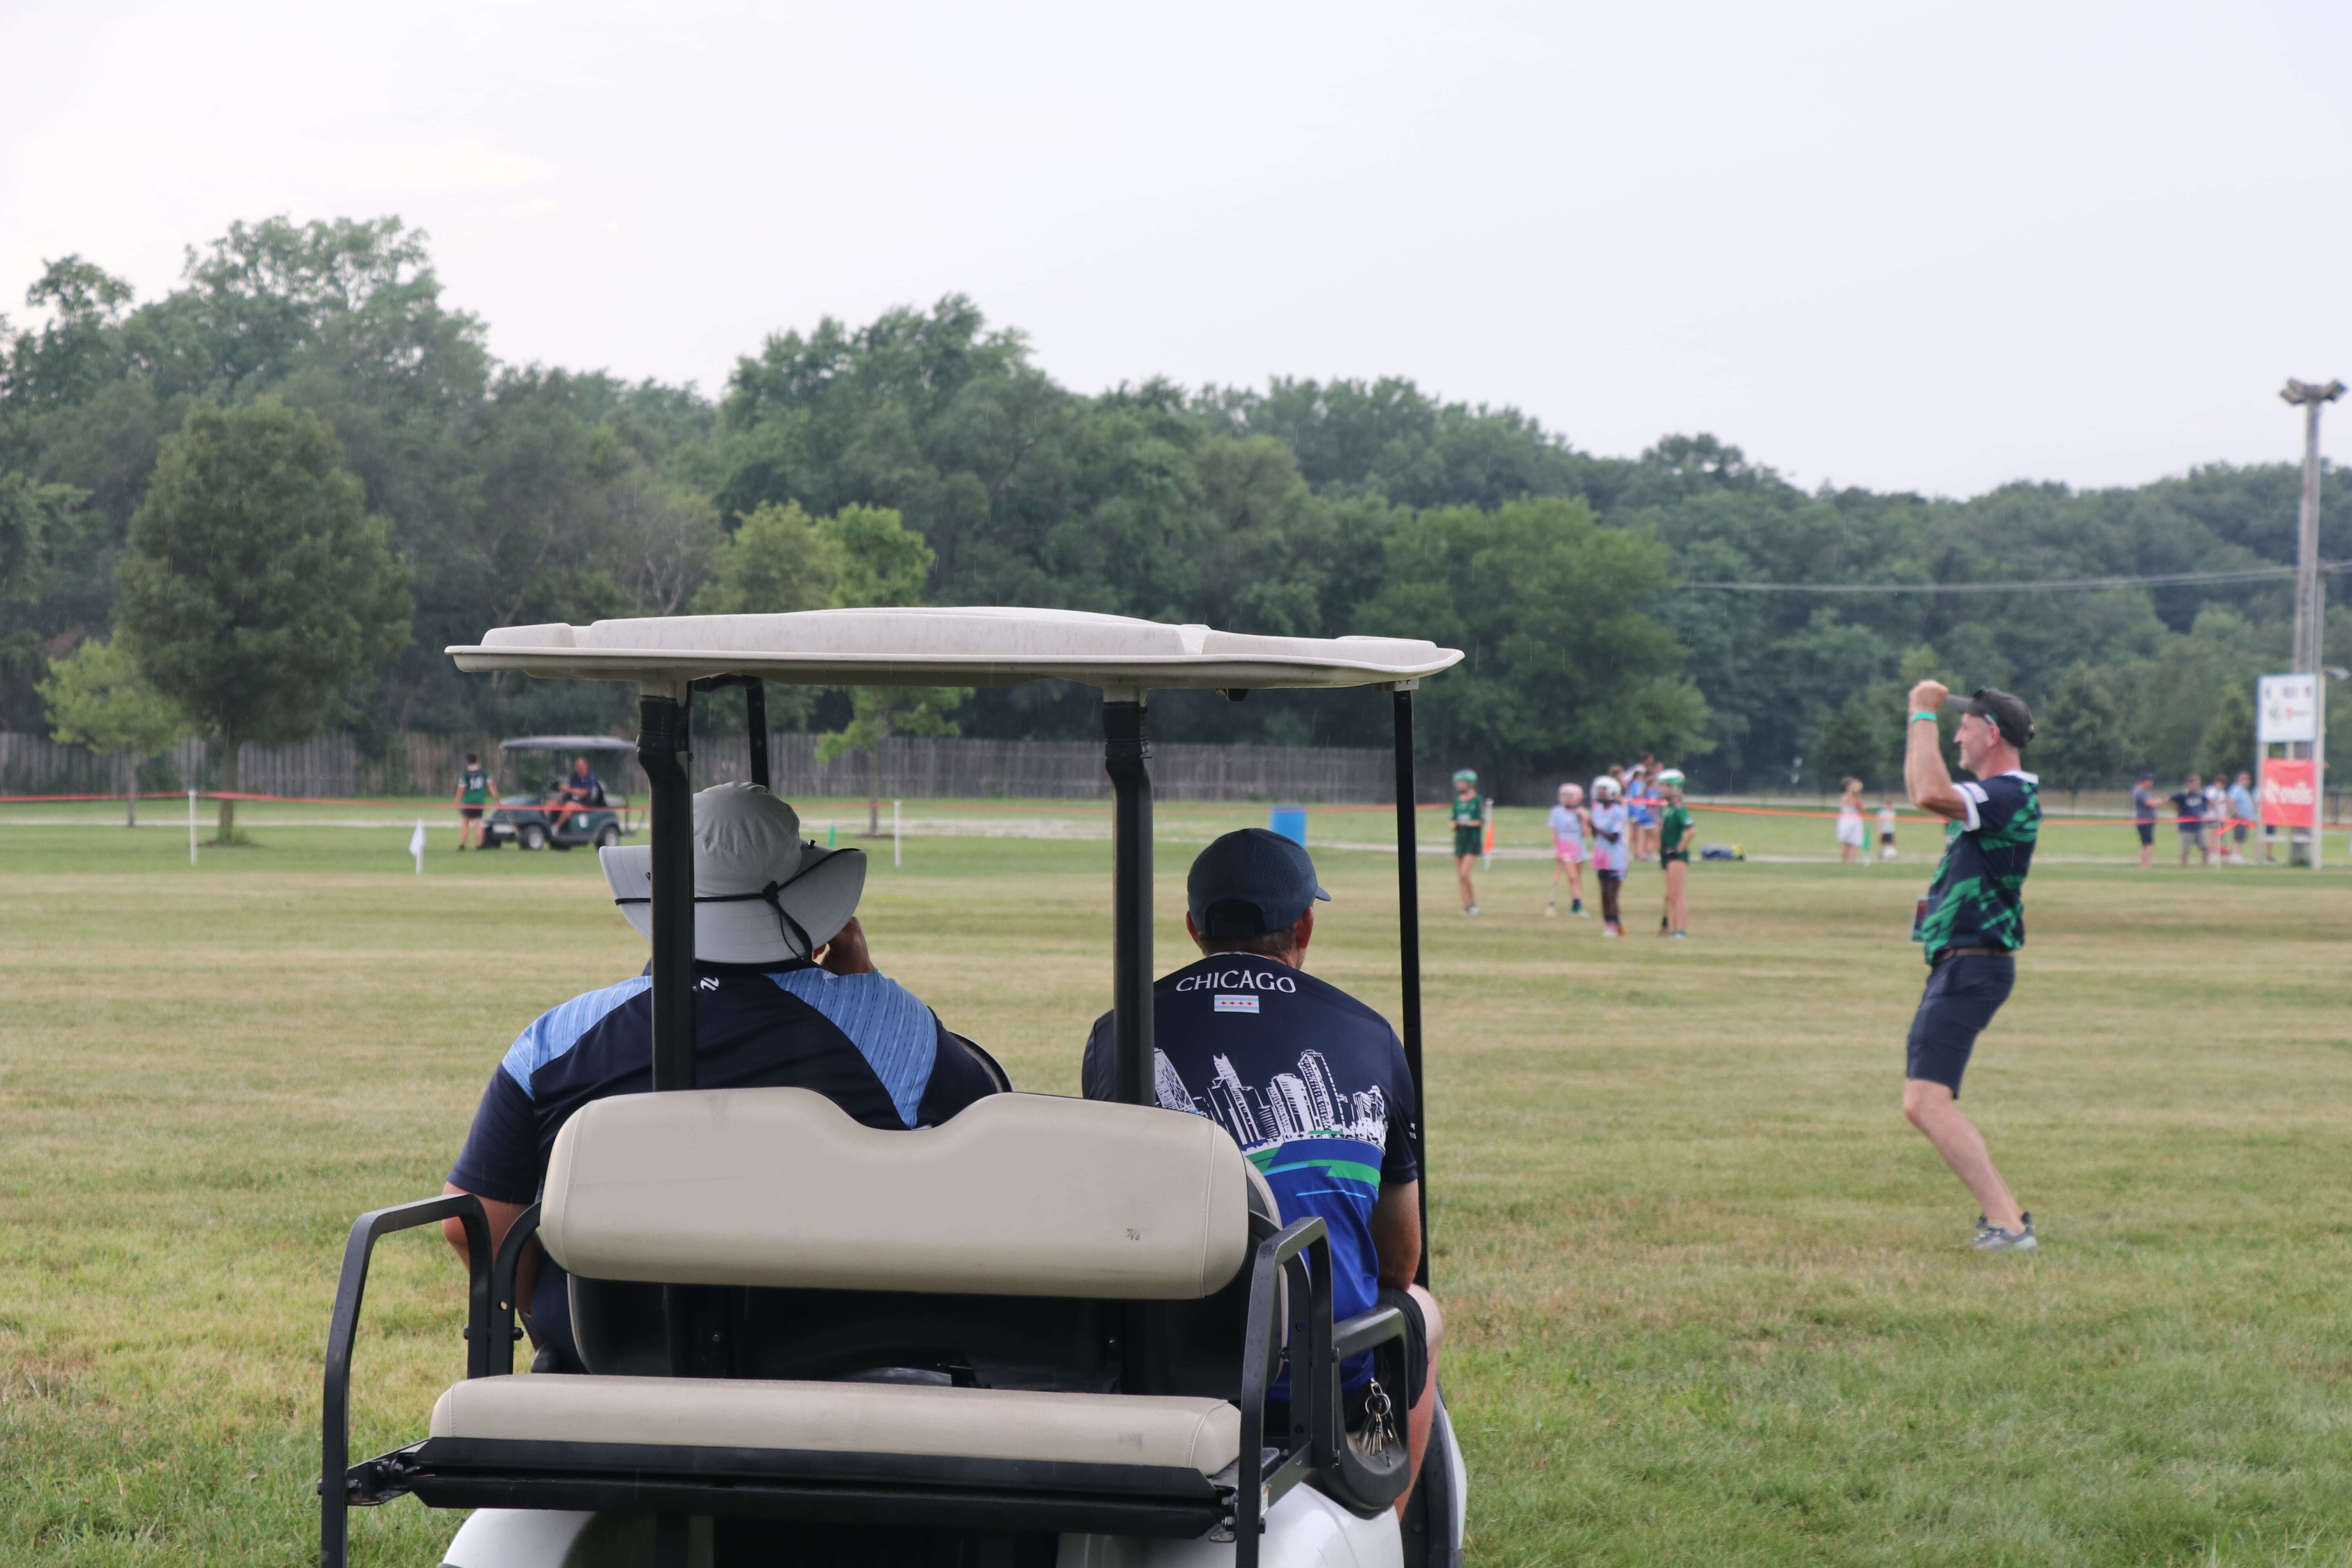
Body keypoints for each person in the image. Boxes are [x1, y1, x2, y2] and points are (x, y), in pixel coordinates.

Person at [440, 782, 998, 1371]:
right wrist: (867, 990)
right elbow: (987, 1148)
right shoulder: (891, 1025)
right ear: (803, 897)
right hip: (847, 1370)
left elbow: (468, 1220)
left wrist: (573, 1323)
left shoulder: (556, 1039)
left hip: (611, 1372)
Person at [1082, 829, 1441, 1516]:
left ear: (1194, 927)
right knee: (1422, 1309)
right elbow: (1399, 1261)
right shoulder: (1369, 1033)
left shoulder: (1117, 1031)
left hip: (1156, 1367)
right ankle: (1384, 1531)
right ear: (1305, 923)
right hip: (1317, 1378)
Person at [1901, 682, 2041, 1252]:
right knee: (1925, 1102)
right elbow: (1922, 787)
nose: (1957, 734)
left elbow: (1928, 792)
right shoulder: (1994, 795)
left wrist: (1922, 714)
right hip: (1961, 966)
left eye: (1965, 725)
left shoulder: (2008, 794)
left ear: (1992, 734)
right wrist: (1922, 724)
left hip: (1973, 967)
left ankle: (2008, 1227)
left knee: (1925, 1102)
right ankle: (2007, 1218)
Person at [1588, 777, 1628, 937]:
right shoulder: (1597, 809)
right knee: (1604, 894)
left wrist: (1595, 828)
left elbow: (1614, 837)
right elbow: (1595, 835)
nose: (1600, 793)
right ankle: (1610, 923)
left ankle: (1614, 924)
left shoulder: (1618, 811)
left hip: (1615, 858)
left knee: (1612, 894)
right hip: (1601, 856)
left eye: (1603, 790)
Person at [1655, 769, 1692, 937]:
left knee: (1678, 894)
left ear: (1675, 788)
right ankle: (1673, 929)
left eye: (1665, 786)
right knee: (1671, 894)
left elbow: (1692, 831)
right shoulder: (1666, 808)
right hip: (1666, 855)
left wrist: (1678, 850)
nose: (1662, 789)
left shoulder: (1678, 808)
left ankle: (1680, 930)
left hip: (1676, 856)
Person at [1546, 782, 1590, 918]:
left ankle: (1576, 905)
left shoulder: (1582, 813)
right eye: (1564, 796)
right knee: (1572, 877)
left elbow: (1586, 833)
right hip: (1565, 848)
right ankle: (1577, 907)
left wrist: (1583, 819)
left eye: (1570, 796)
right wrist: (1557, 850)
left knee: (1577, 878)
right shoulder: (1556, 812)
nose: (1566, 799)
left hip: (1578, 848)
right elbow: (1554, 832)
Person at [1449, 769, 1485, 916]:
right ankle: (1467, 907)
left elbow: (1480, 821)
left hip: (1473, 841)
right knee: (1461, 876)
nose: (1459, 785)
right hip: (1460, 841)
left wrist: (1466, 823)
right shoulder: (1458, 801)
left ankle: (1473, 905)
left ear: (1470, 784)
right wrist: (1456, 824)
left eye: (1462, 782)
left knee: (1465, 874)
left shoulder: (1477, 800)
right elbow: (1453, 821)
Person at [452, 750, 493, 850]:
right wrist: (496, 799)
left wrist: (457, 802)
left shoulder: (465, 775)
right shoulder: (485, 773)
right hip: (480, 802)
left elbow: (461, 790)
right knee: (478, 824)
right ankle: (479, 845)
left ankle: (462, 845)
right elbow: (491, 787)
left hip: (468, 802)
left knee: (465, 824)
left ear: (466, 761)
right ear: (478, 760)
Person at [2167, 775, 2207, 867]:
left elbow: (2208, 803)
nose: (2198, 786)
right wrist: (2177, 808)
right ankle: (2185, 866)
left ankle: (2205, 865)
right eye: (2196, 784)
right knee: (2186, 849)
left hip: (2199, 825)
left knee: (2205, 847)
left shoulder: (2200, 794)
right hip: (2186, 827)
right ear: (2190, 784)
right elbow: (2169, 800)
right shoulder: (2184, 794)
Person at [558, 755, 608, 824]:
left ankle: (556, 827)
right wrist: (563, 787)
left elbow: (585, 793)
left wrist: (568, 790)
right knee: (554, 802)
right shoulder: (575, 777)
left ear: (586, 766)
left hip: (585, 804)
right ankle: (545, 822)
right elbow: (569, 788)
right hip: (573, 801)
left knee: (570, 805)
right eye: (577, 765)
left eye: (580, 765)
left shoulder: (591, 778)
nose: (578, 767)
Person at [2131, 769, 2160, 870]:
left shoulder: (2145, 792)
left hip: (2148, 821)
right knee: (2149, 844)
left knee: (2146, 844)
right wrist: (2158, 802)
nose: (2152, 783)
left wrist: (2156, 801)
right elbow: (2151, 803)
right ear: (2145, 781)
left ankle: (2144, 864)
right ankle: (2146, 865)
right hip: (2145, 821)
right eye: (2150, 781)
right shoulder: (2140, 792)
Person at [1835, 777, 1867, 864]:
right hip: (1854, 821)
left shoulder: (1844, 797)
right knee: (1853, 844)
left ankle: (1844, 862)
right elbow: (1862, 810)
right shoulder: (1856, 799)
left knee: (1846, 844)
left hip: (1845, 821)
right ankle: (1852, 862)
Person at [1877, 795, 1900, 861]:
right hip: (1884, 831)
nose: (1889, 807)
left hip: (1891, 831)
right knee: (1883, 843)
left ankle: (1894, 854)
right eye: (1888, 805)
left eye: (1891, 805)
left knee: (1893, 843)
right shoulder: (1882, 813)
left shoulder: (1893, 813)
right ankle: (1880, 854)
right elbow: (1879, 822)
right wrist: (1880, 830)